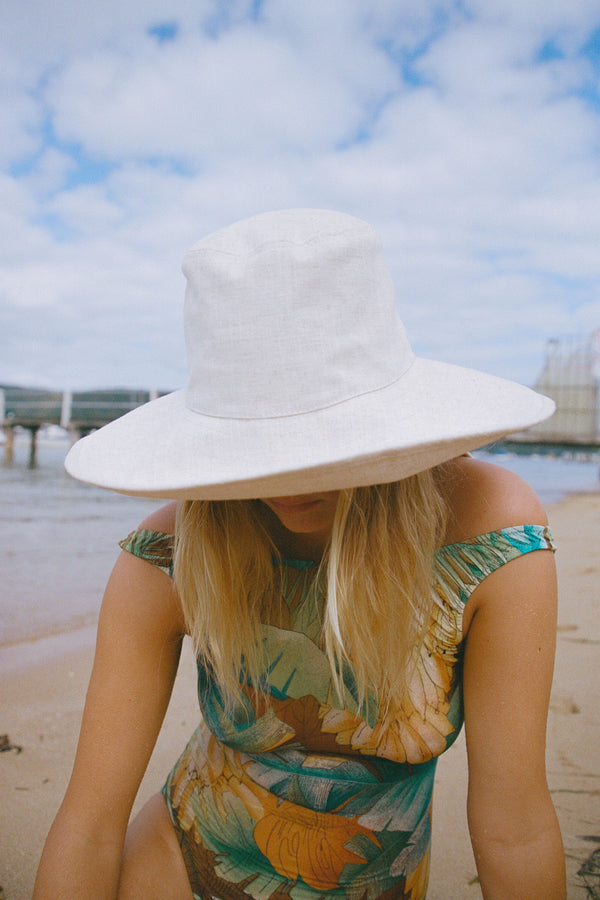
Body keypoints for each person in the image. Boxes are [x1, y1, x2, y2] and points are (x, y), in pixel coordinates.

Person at [34, 209, 566, 900]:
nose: (287, 484)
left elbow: (514, 825)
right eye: (259, 454)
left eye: (318, 447)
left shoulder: (488, 538)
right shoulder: (171, 554)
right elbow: (90, 825)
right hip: (178, 870)